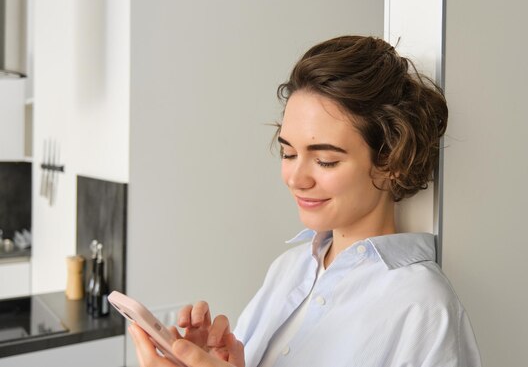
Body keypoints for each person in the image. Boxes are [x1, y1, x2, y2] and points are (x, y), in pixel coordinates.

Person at [129, 35, 482, 367]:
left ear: (391, 159)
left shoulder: (424, 307)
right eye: (287, 153)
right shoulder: (288, 269)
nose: (296, 179)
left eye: (325, 160)